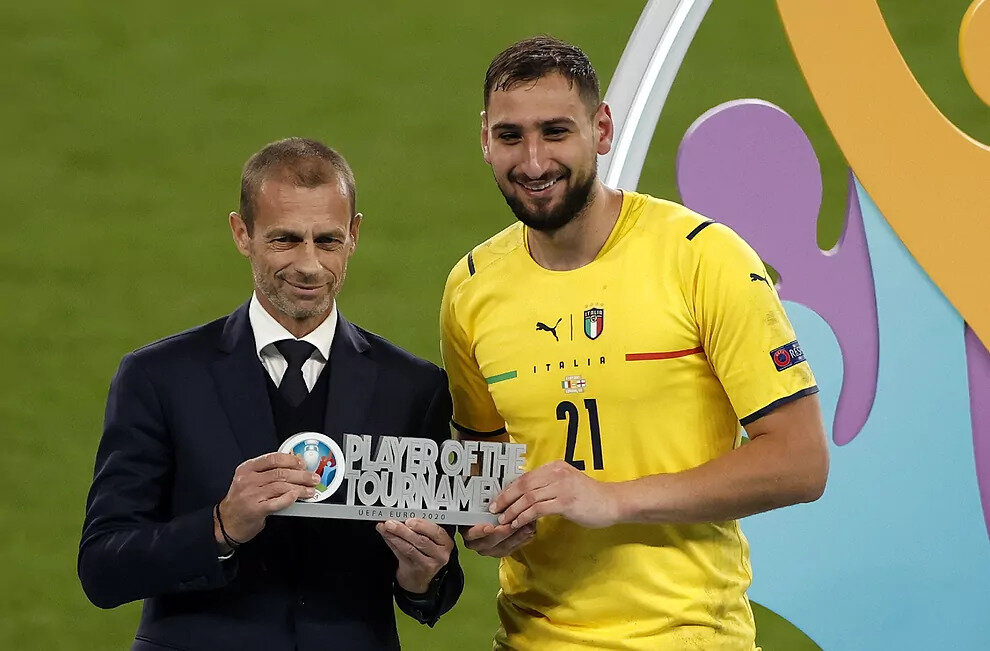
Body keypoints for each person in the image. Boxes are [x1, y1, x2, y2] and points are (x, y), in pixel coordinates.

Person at [441, 37, 828, 650]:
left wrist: (614, 500)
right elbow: (484, 470)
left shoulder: (703, 258)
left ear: (601, 129)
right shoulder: (470, 289)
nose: (534, 162)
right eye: (512, 136)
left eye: (555, 132)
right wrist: (484, 521)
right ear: (485, 139)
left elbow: (800, 462)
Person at [80, 137, 463, 650]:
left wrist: (423, 576)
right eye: (285, 240)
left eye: (327, 240)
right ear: (243, 234)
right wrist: (221, 526)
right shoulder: (158, 377)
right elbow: (103, 567)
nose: (309, 265)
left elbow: (434, 581)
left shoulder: (415, 388)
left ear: (354, 234)